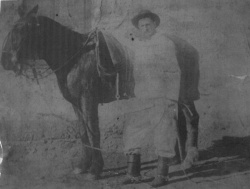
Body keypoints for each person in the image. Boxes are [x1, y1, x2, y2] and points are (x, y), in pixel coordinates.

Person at [122, 10, 200, 187]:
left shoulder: (164, 43)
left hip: (161, 97)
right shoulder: (139, 45)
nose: (145, 28)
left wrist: (171, 98)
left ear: (155, 25)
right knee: (133, 132)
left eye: (148, 24)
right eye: (142, 26)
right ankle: (133, 174)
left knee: (163, 134)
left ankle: (162, 176)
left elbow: (173, 72)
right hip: (141, 97)